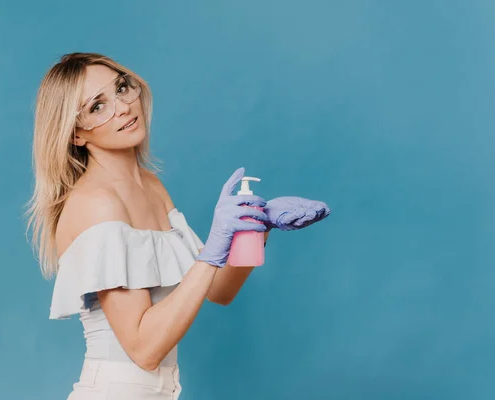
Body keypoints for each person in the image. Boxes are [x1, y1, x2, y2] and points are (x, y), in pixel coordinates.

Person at [25, 52, 330, 399]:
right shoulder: (97, 203)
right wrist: (211, 253)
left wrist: (255, 228)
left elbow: (218, 290)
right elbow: (144, 349)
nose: (123, 107)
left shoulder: (150, 185)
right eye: (97, 106)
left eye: (122, 89)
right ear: (76, 134)